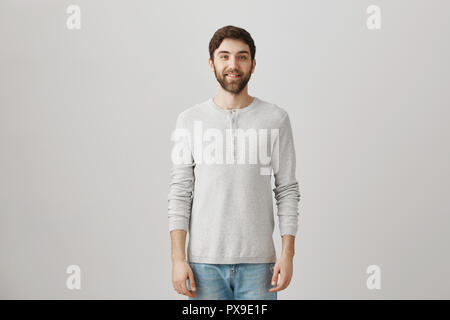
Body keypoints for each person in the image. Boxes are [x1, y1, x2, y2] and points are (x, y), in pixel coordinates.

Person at [168, 25, 301, 300]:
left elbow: (287, 189)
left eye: (241, 57)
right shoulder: (189, 121)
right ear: (211, 63)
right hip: (203, 266)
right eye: (224, 56)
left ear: (253, 64)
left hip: (260, 267)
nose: (233, 64)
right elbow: (180, 192)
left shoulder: (275, 119)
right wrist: (178, 260)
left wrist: (287, 255)